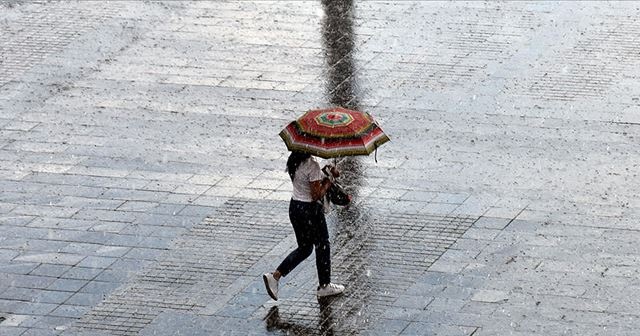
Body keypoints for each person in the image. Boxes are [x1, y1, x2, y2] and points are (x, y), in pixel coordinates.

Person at [263, 151, 345, 300]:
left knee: (305, 248)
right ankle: (324, 286)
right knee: (323, 245)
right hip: (310, 211)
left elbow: (305, 180)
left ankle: (275, 277)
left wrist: (325, 172)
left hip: (295, 207)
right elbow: (316, 194)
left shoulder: (294, 160)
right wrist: (328, 180)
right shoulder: (311, 164)